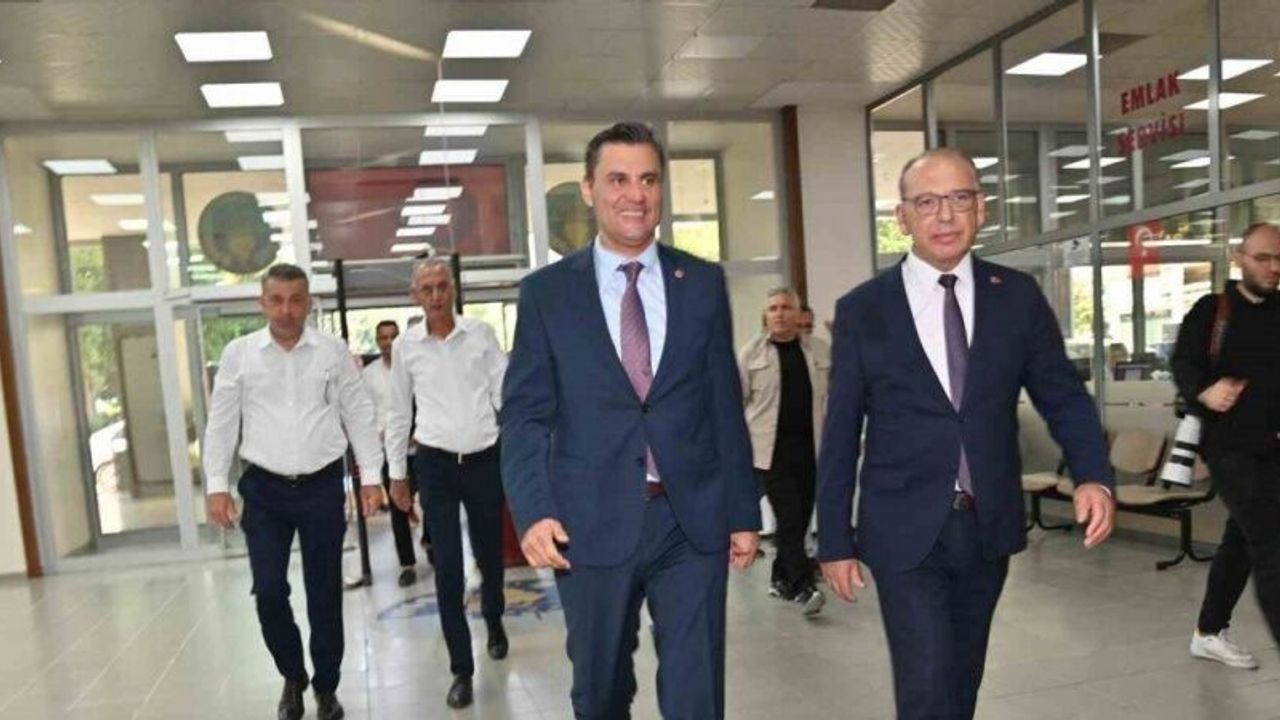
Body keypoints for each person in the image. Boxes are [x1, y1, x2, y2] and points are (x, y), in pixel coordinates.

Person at [817, 148, 1115, 720]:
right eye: (927, 202)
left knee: (961, 682)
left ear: (982, 208)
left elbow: (1061, 395)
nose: (945, 215)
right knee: (926, 686)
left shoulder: (1016, 296)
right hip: (902, 529)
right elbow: (840, 431)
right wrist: (834, 538)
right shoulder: (864, 309)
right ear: (903, 217)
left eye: (959, 198)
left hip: (987, 525)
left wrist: (1093, 475)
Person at [501, 121, 760, 719]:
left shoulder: (701, 283)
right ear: (588, 189)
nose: (635, 195)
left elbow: (723, 405)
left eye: (648, 180)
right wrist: (534, 510)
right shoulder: (547, 295)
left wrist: (744, 511)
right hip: (589, 523)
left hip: (688, 520)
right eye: (618, 179)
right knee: (601, 691)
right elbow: (525, 415)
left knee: (697, 693)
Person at [202, 263, 384, 720]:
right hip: (264, 490)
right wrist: (216, 485)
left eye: (296, 300)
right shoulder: (240, 354)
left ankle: (326, 687)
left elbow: (358, 413)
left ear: (309, 303)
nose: (286, 310)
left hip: (322, 486)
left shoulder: (332, 352)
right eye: (277, 300)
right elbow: (222, 422)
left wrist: (371, 477)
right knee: (268, 590)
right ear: (262, 303)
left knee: (325, 593)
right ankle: (292, 675)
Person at [385, 257, 509, 710]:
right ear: (415, 296)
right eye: (427, 289)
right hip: (435, 464)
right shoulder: (406, 347)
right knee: (448, 567)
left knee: (489, 554)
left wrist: (520, 448)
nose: (436, 296)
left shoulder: (480, 335)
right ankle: (461, 669)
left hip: (483, 459)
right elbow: (398, 411)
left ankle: (493, 617)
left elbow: (504, 393)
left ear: (453, 289)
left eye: (442, 286)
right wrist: (397, 474)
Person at [1173, 221, 1280, 671]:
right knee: (1272, 545)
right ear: (1239, 258)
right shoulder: (1213, 310)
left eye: (1279, 259)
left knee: (1242, 538)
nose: (1273, 267)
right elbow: (1183, 362)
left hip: (1272, 448)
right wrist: (1204, 390)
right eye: (1263, 258)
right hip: (1229, 449)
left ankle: (1208, 632)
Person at [738, 287, 830, 614]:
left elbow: (836, 395)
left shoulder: (818, 350)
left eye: (786, 307)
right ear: (765, 315)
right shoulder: (750, 354)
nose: (779, 313)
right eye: (773, 308)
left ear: (798, 314)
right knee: (789, 514)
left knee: (800, 517)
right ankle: (804, 586)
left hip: (809, 449)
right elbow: (736, 402)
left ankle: (780, 578)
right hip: (769, 451)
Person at [362, 319, 424, 587]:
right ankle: (407, 564)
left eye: (393, 337)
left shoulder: (415, 366)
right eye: (383, 338)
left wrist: (417, 431)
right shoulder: (369, 375)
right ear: (377, 342)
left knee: (431, 499)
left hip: (421, 446)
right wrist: (379, 433)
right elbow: (365, 411)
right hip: (390, 450)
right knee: (399, 507)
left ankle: (431, 542)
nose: (388, 342)